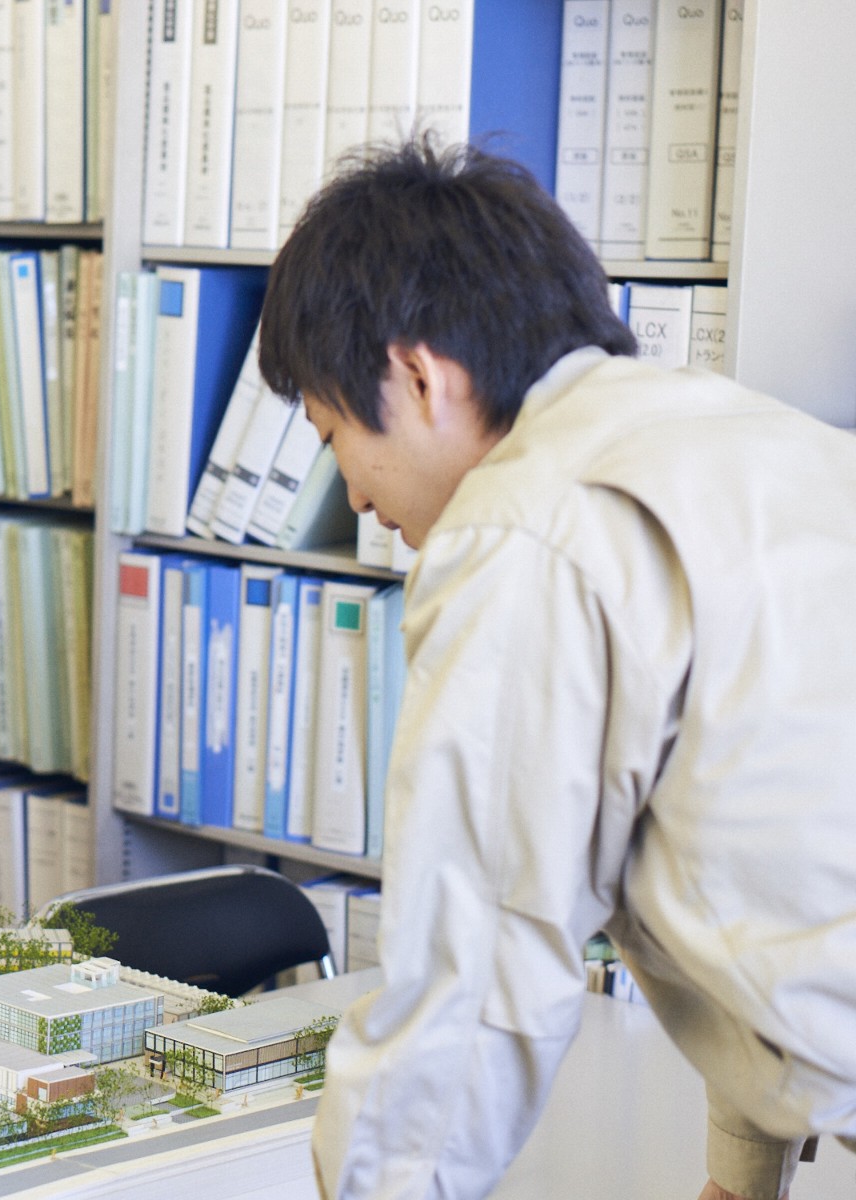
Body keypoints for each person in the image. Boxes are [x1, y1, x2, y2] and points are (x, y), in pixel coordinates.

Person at [258, 138, 856, 1200]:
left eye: (335, 432)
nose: (351, 496)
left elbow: (469, 983)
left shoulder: (525, 535)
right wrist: (742, 1176)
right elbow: (760, 845)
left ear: (415, 374)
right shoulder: (761, 444)